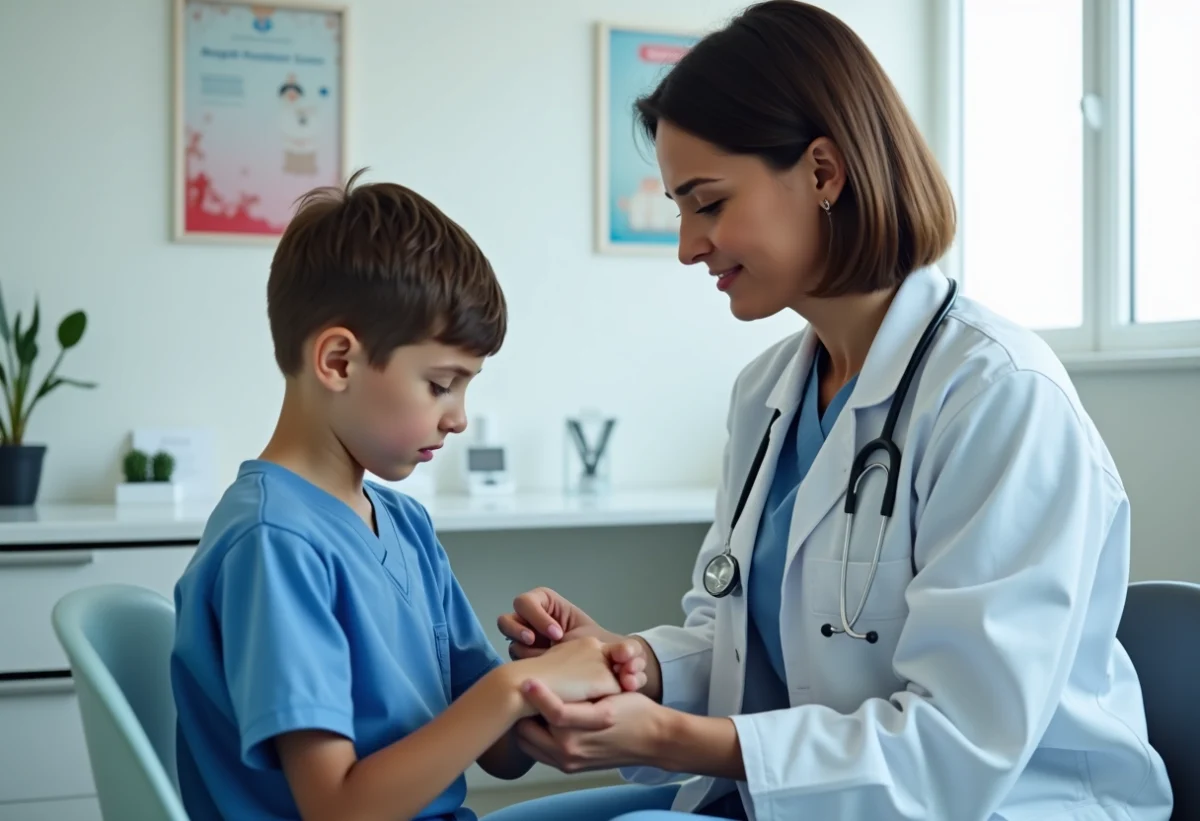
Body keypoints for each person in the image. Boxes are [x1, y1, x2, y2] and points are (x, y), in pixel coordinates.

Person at [491, 2, 1174, 820]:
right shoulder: (767, 395)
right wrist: (629, 662)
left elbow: (957, 748)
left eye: (707, 203)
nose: (687, 244)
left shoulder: (1000, 396)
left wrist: (667, 736)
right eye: (679, 208)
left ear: (823, 172)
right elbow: (737, 639)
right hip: (797, 790)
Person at [169, 170, 648, 821]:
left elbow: (499, 753)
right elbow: (338, 807)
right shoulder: (273, 544)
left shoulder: (404, 524)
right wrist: (506, 691)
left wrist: (542, 677)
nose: (459, 418)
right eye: (441, 383)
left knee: (676, 803)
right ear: (339, 361)